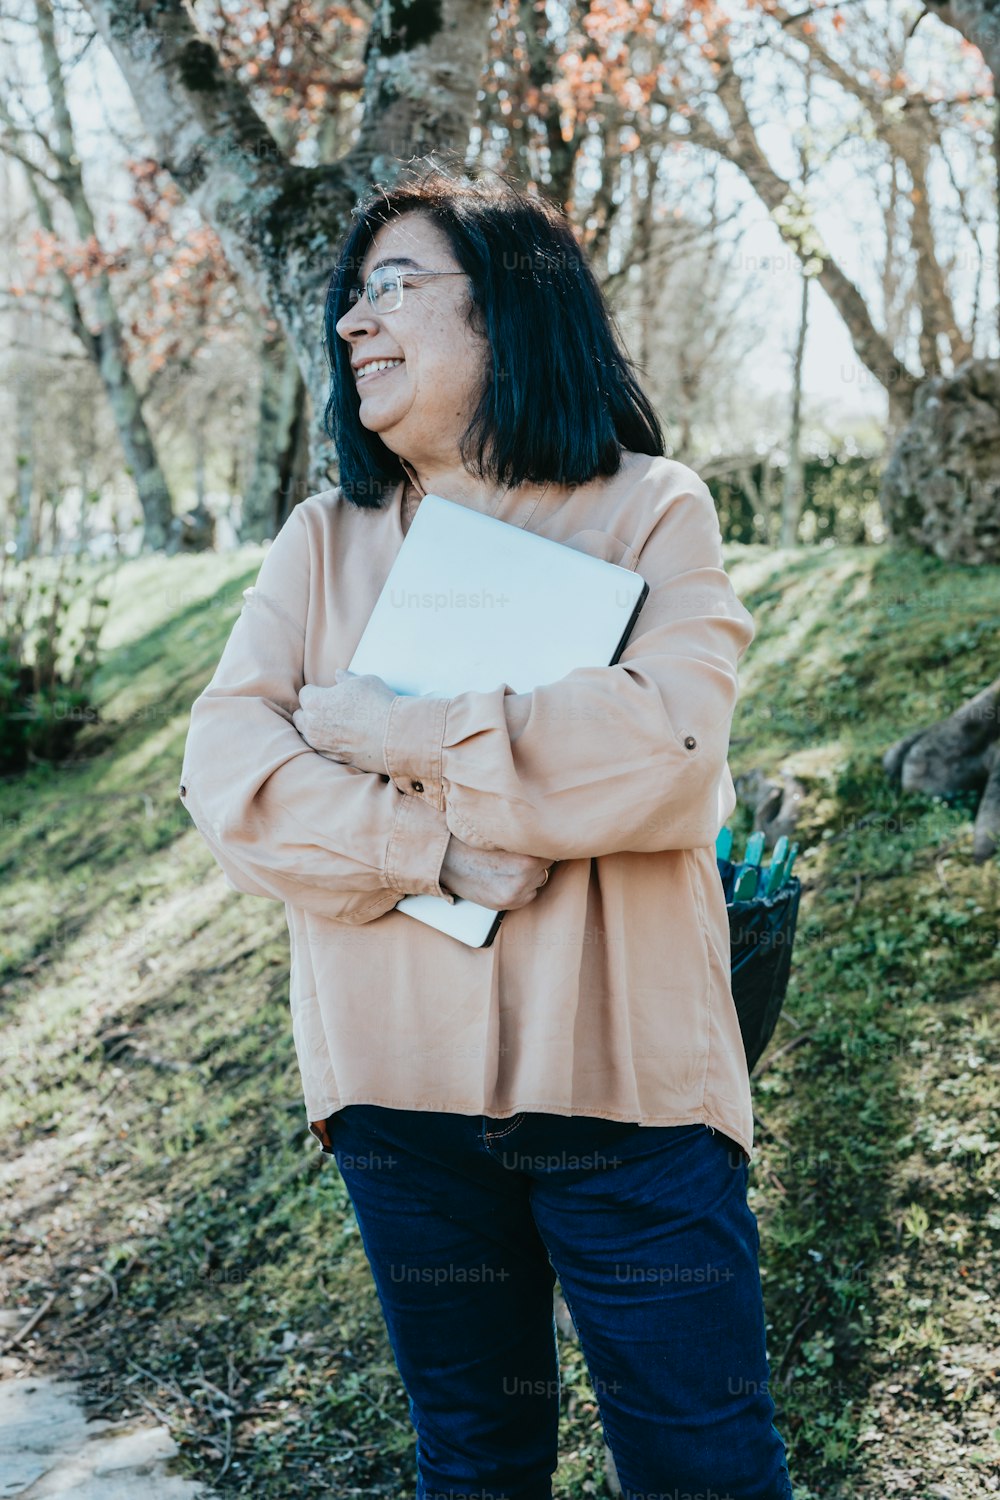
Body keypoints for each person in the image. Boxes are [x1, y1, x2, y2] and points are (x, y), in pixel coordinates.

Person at [179, 164, 795, 1500]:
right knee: (476, 1465)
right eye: (349, 299)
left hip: (628, 1109)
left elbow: (671, 749)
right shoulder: (322, 540)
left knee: (705, 1467)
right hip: (403, 1119)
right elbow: (228, 769)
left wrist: (393, 734)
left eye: (392, 285)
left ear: (512, 310)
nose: (352, 321)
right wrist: (434, 850)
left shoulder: (651, 507)